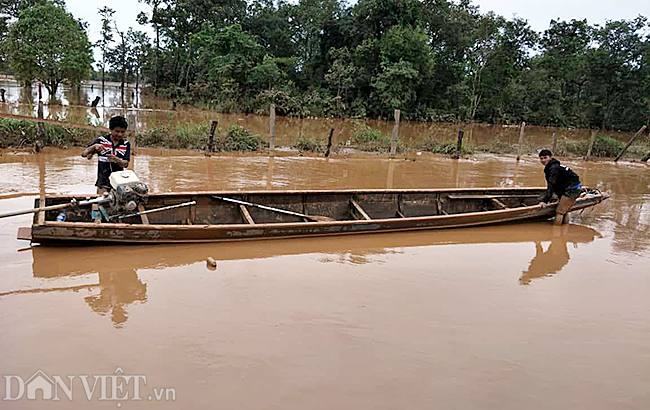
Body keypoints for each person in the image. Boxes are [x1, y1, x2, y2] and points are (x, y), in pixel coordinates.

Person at [81, 116, 131, 222]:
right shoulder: (101, 141)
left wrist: (116, 159)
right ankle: (98, 225)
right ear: (111, 130)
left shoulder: (126, 144)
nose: (120, 134)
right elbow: (84, 154)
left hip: (118, 184)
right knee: (99, 206)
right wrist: (94, 147)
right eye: (117, 131)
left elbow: (125, 164)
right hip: (103, 182)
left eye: (122, 132)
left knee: (117, 209)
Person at [538, 149, 582, 225]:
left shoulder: (553, 168)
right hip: (568, 187)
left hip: (572, 188)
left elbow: (551, 185)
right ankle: (564, 232)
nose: (543, 160)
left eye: (545, 158)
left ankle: (556, 233)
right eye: (541, 158)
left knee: (560, 212)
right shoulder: (551, 166)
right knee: (564, 211)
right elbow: (556, 184)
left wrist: (545, 201)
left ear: (550, 157)